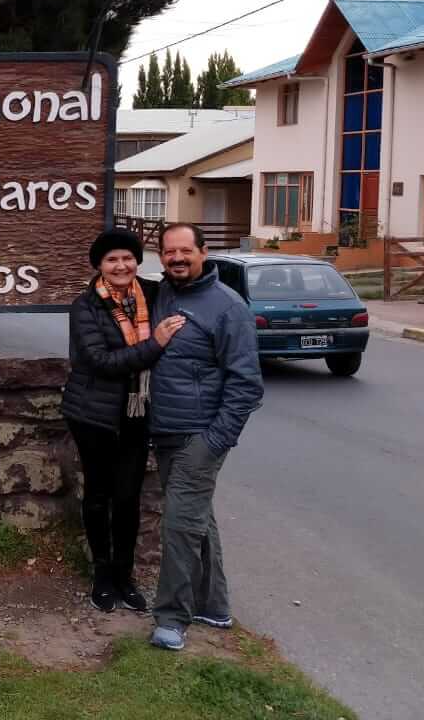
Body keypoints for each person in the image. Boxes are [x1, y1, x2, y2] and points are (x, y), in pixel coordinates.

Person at [148, 222, 263, 651]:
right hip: (166, 430)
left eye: (185, 251)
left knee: (179, 523)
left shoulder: (228, 307)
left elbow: (247, 384)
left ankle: (172, 618)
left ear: (204, 251)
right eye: (169, 252)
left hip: (202, 435)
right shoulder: (162, 294)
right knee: (198, 519)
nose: (177, 258)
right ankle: (213, 605)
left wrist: (217, 439)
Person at [64, 228, 187, 613]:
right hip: (93, 415)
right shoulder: (85, 307)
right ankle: (101, 574)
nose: (121, 266)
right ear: (100, 266)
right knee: (99, 495)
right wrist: (156, 344)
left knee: (129, 497)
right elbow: (101, 362)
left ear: (138, 261)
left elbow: (188, 280)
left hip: (137, 412)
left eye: (127, 258)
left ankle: (124, 574)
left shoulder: (151, 294)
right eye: (112, 260)